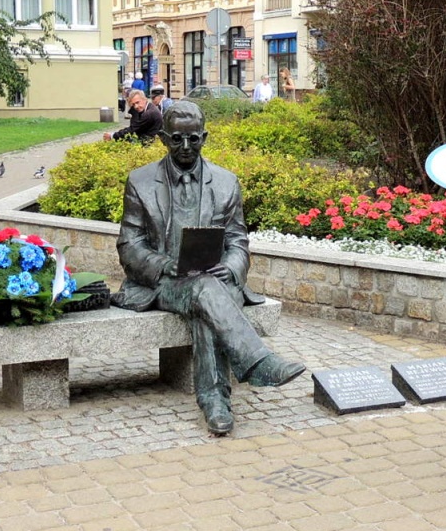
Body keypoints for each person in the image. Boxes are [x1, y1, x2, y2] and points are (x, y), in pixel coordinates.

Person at [113, 101, 306, 435]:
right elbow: (129, 245)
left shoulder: (226, 182)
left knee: (209, 294)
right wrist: (164, 264)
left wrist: (231, 268)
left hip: (216, 279)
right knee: (206, 291)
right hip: (163, 283)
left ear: (204, 136)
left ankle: (216, 402)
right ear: (162, 138)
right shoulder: (141, 182)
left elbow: (237, 241)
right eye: (176, 139)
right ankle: (255, 363)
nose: (185, 147)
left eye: (193, 139)